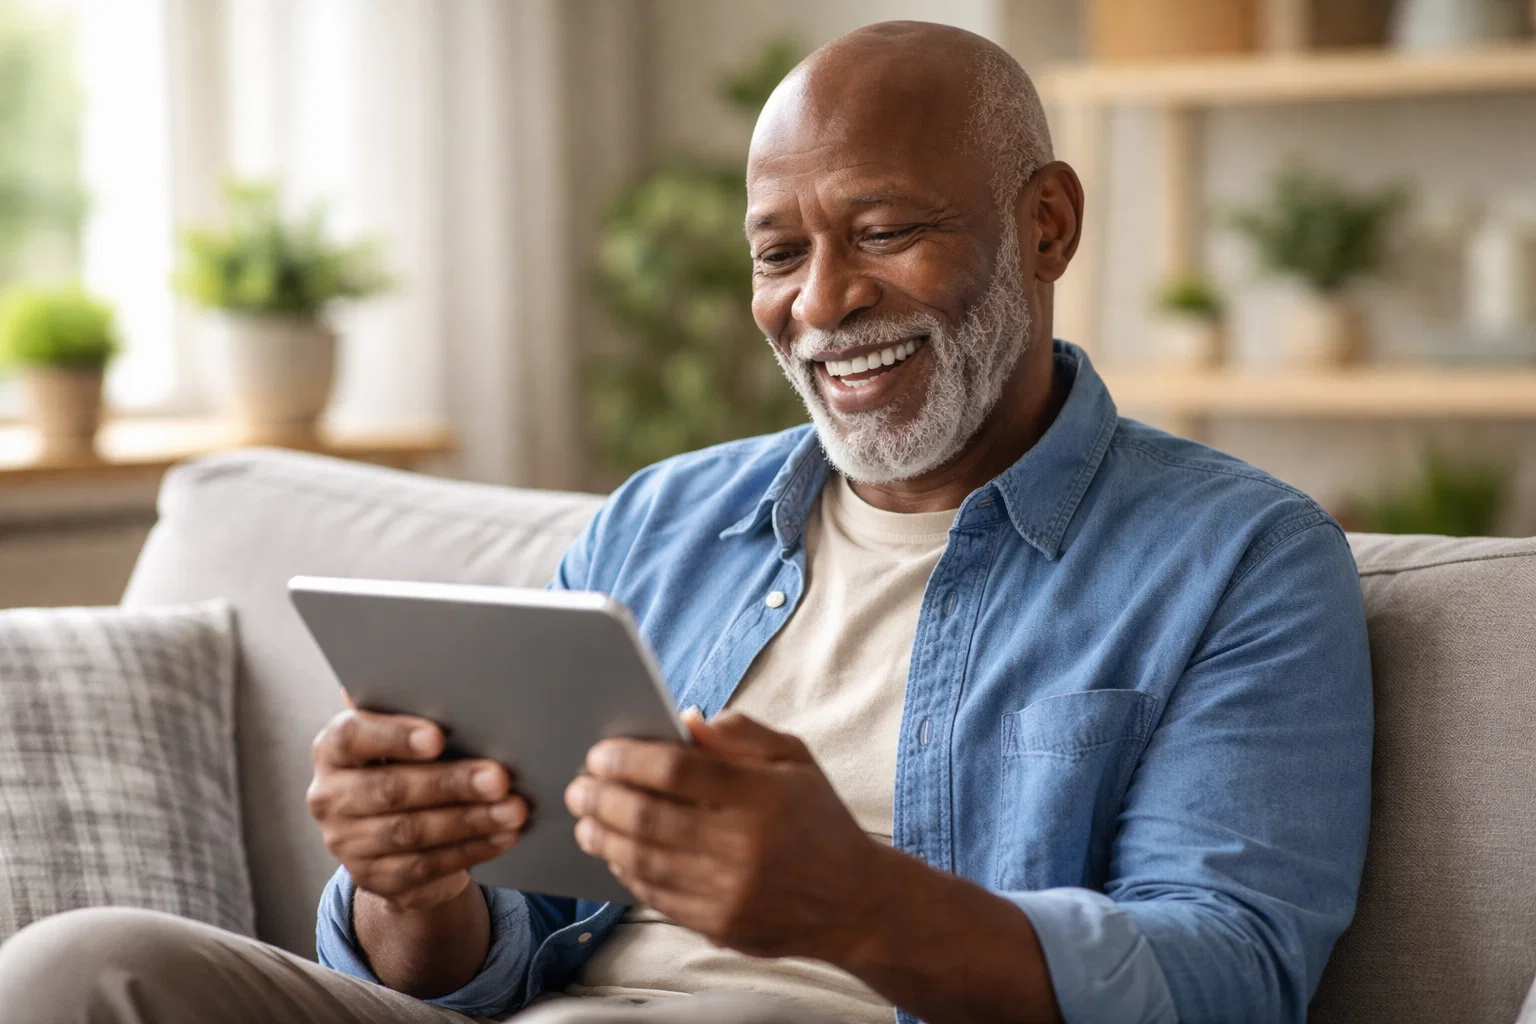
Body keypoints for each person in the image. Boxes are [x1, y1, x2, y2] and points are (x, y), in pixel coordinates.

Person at [0, 19, 1372, 1024]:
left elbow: (1232, 977)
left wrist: (858, 901)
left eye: (885, 230)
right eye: (780, 252)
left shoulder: (1238, 559)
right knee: (79, 971)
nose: (821, 302)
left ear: (1048, 225)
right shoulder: (661, 524)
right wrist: (410, 889)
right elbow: (506, 947)